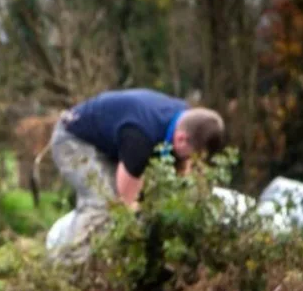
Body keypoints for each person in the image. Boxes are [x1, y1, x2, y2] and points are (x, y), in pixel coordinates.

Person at [48, 88, 227, 263]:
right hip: (73, 140)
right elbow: (126, 206)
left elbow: (180, 174)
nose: (192, 162)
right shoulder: (140, 138)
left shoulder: (188, 120)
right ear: (180, 139)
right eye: (190, 156)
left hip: (113, 141)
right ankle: (67, 264)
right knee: (104, 203)